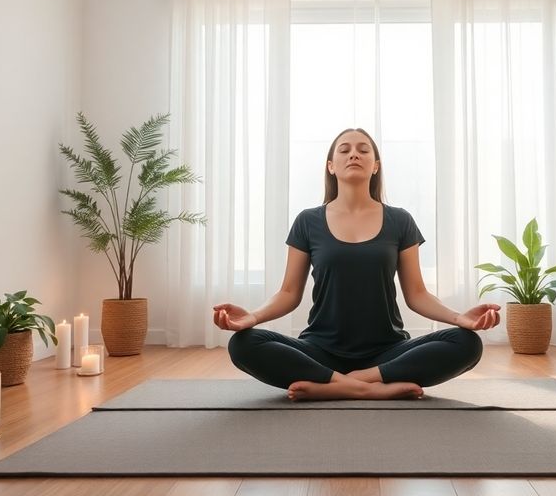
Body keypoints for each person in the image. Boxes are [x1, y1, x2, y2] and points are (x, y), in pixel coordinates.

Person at [212, 128, 500, 401]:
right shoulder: (307, 221)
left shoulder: (400, 220)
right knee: (242, 345)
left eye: (363, 150)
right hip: (320, 350)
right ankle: (368, 389)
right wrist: (251, 317)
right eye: (344, 150)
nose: (354, 155)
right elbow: (288, 293)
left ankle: (337, 384)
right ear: (331, 166)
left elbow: (417, 295)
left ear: (375, 166)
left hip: (388, 351)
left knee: (468, 344)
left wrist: (461, 319)